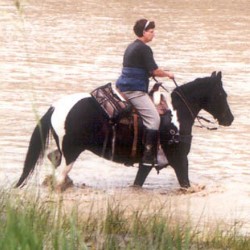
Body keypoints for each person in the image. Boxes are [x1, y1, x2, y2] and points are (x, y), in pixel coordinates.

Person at [116, 18, 175, 168]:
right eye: (151, 31)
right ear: (143, 32)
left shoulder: (131, 46)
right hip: (134, 90)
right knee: (154, 119)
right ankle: (149, 155)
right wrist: (168, 74)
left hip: (122, 86)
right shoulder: (144, 49)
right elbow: (154, 70)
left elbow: (139, 69)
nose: (153, 34)